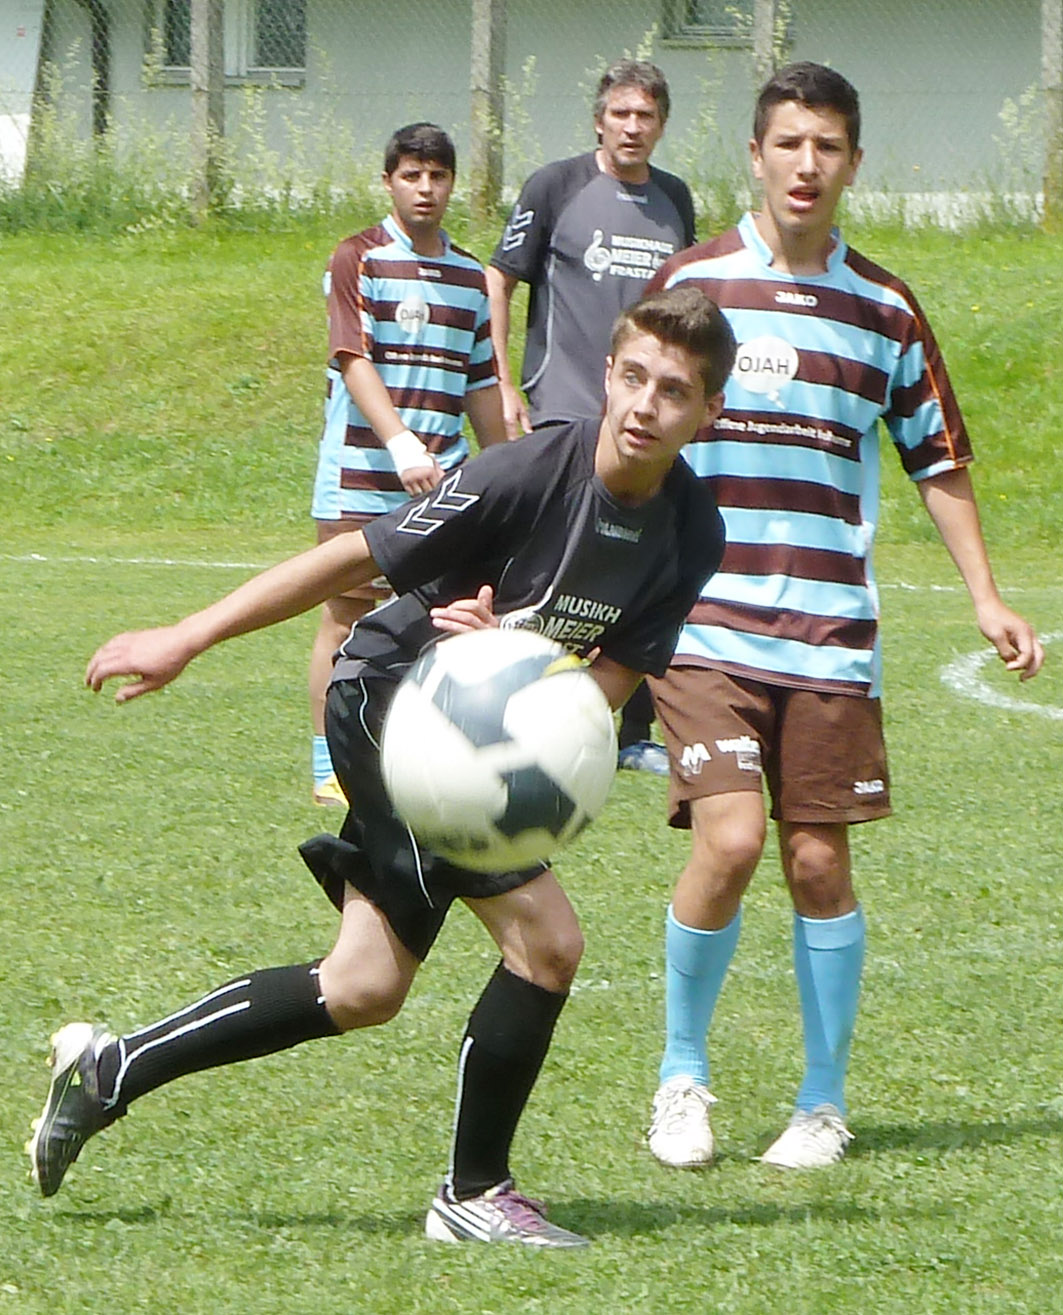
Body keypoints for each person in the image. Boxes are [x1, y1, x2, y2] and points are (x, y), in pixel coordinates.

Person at [28, 286, 737, 1248]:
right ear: (607, 374)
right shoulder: (524, 471)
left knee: (362, 985)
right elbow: (349, 560)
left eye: (675, 390)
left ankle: (110, 1068)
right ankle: (473, 1193)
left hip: (468, 732)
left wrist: (515, 667)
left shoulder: (692, 529)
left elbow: (613, 674)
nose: (646, 404)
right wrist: (188, 636)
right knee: (547, 941)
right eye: (634, 377)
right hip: (390, 699)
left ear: (708, 410)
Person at [642, 62, 1044, 1173]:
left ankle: (820, 1103)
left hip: (827, 636)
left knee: (816, 862)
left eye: (826, 147)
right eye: (787, 143)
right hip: (703, 627)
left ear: (853, 163)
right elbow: (625, 432)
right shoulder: (693, 283)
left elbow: (936, 459)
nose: (805, 165)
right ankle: (681, 1077)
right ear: (755, 155)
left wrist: (984, 594)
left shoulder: (884, 308)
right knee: (730, 840)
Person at [486, 58, 696, 776]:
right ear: (599, 120)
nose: (632, 127)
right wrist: (503, 381)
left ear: (661, 125)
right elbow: (500, 279)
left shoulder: (674, 199)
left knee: (637, 565)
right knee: (552, 566)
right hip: (566, 409)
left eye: (646, 116)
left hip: (645, 421)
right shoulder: (555, 186)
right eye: (620, 114)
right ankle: (515, 700)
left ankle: (628, 729)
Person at [309, 122, 505, 807]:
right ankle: (330, 766)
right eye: (411, 175)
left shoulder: (470, 276)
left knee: (434, 623)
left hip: (442, 484)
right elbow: (352, 359)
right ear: (388, 181)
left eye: (438, 176)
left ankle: (413, 755)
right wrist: (399, 444)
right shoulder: (357, 257)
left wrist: (507, 470)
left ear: (453, 184)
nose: (425, 189)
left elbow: (481, 382)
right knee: (345, 616)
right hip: (361, 474)